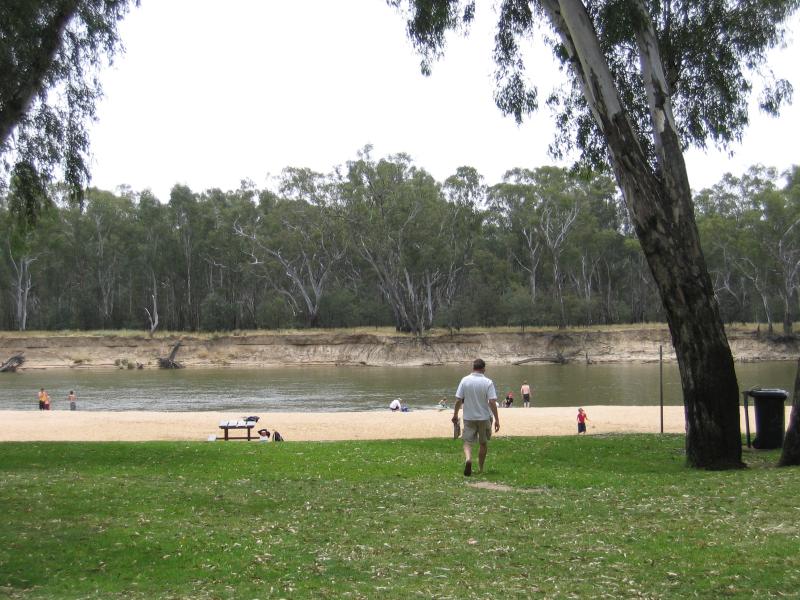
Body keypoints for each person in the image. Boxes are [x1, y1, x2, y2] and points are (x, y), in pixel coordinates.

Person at [452, 358, 500, 476]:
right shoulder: (488, 382)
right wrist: (497, 419)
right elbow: (492, 402)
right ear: (484, 368)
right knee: (483, 443)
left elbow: (458, 400)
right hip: (484, 417)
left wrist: (455, 414)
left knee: (467, 442)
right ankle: (480, 468)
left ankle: (468, 459)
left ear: (473, 368)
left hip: (469, 417)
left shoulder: (465, 380)